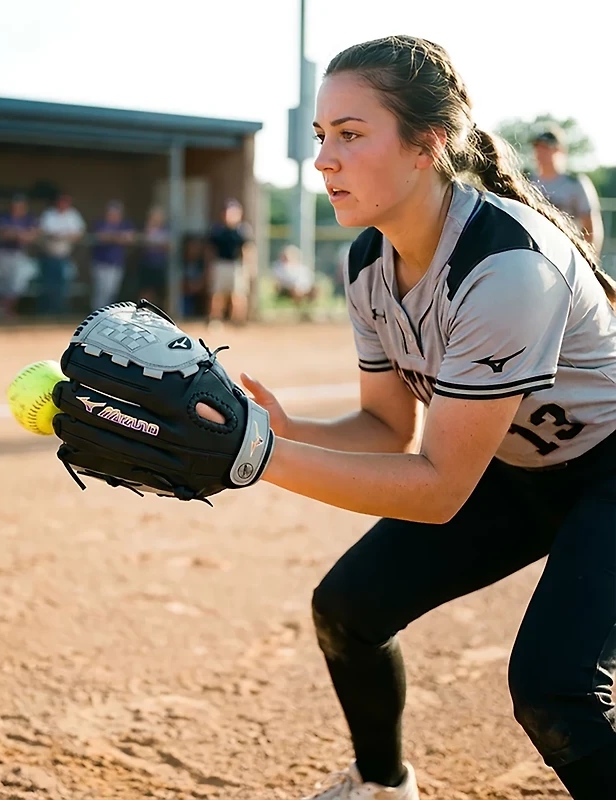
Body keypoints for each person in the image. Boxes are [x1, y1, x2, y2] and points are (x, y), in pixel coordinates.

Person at [237, 35, 616, 800]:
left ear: (426, 146)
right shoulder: (369, 260)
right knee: (348, 610)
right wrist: (278, 429)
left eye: (350, 135)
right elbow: (387, 427)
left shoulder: (508, 266)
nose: (323, 161)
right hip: (514, 468)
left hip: (610, 469)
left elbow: (439, 487)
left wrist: (253, 457)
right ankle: (383, 785)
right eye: (321, 137)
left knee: (555, 687)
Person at [531, 125, 604, 255]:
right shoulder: (527, 183)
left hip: (568, 253)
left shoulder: (575, 183)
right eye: (538, 148)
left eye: (546, 148)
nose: (540, 153)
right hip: (536, 252)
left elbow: (590, 226)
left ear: (560, 151)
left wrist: (590, 259)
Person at [206, 199, 253, 326]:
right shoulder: (217, 230)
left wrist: (248, 267)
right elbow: (211, 250)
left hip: (236, 266)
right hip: (220, 264)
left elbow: (247, 249)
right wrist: (210, 267)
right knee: (217, 295)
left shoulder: (242, 230)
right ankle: (215, 319)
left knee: (238, 294)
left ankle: (238, 321)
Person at [38, 193, 85, 316]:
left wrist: (63, 236)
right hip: (48, 256)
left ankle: (61, 312)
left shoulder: (73, 215)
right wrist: (62, 235)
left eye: (66, 202)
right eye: (61, 201)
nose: (63, 204)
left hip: (65, 256)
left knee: (64, 285)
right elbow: (44, 232)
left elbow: (79, 234)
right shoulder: (49, 214)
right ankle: (47, 312)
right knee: (49, 285)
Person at [0, 194, 38, 320]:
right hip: (3, 253)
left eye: (21, 206)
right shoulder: (4, 217)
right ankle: (6, 312)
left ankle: (2, 310)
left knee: (19, 283)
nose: (18, 208)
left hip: (19, 253)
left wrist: (16, 233)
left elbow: (32, 235)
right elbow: (3, 233)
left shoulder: (28, 219)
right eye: (16, 205)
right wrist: (20, 234)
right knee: (5, 284)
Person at [91, 200, 134, 310]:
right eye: (111, 213)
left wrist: (113, 237)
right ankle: (96, 314)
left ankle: (107, 315)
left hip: (117, 263)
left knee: (112, 291)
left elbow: (129, 238)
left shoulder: (124, 224)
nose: (114, 215)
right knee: (101, 291)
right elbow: (101, 237)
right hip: (101, 262)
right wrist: (116, 237)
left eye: (116, 213)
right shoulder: (101, 223)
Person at [138, 206, 170, 308]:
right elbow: (144, 243)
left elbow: (167, 247)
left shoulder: (164, 231)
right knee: (146, 290)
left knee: (160, 291)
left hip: (159, 265)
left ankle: (158, 311)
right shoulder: (147, 229)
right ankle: (142, 310)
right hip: (147, 264)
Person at [271, 244, 318, 312]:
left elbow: (308, 279)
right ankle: (299, 310)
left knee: (315, 290)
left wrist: (302, 287)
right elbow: (280, 282)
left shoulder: (300, 267)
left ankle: (309, 311)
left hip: (303, 288)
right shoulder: (279, 267)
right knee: (295, 290)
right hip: (287, 289)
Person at [181, 235, 207, 318]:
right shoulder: (182, 261)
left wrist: (196, 286)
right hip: (186, 293)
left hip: (198, 291)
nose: (193, 250)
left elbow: (205, 279)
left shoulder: (201, 263)